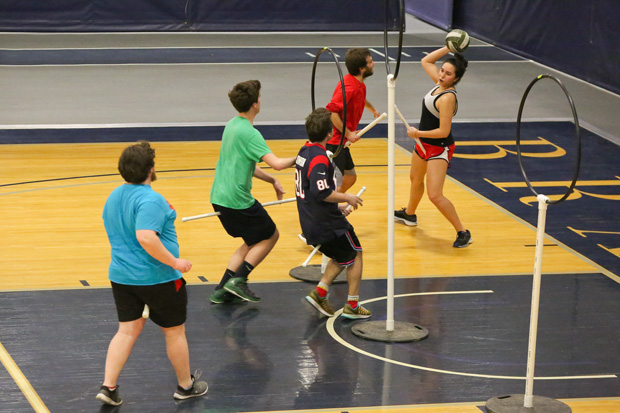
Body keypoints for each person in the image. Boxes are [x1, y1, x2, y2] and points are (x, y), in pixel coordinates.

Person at [98, 141, 207, 406]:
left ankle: (108, 387)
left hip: (122, 277)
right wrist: (175, 262)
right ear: (151, 169)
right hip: (158, 278)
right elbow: (145, 237)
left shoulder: (114, 196)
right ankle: (185, 386)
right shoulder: (151, 199)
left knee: (126, 331)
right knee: (174, 331)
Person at [209, 80, 296, 304]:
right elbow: (276, 162)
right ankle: (239, 280)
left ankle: (222, 290)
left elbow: (248, 164)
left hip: (219, 198)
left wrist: (272, 180)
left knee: (251, 241)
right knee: (270, 235)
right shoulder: (250, 133)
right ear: (256, 103)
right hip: (238, 201)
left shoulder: (231, 125)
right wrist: (302, 156)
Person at [295, 108, 372, 319]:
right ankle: (353, 306)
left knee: (342, 254)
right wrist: (347, 198)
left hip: (311, 218)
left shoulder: (303, 152)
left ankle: (320, 293)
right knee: (355, 253)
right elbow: (322, 192)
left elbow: (313, 192)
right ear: (330, 133)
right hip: (326, 222)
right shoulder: (320, 159)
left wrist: (338, 205)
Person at [394, 46, 472, 248]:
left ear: (455, 79)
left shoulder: (447, 97)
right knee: (415, 180)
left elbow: (443, 132)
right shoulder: (438, 84)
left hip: (439, 147)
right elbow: (426, 61)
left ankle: (463, 232)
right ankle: (409, 215)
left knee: (435, 195)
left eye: (447, 73)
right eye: (442, 70)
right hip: (423, 144)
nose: (441, 75)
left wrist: (417, 133)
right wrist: (448, 47)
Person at [326, 47, 381, 193]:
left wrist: (371, 108)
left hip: (342, 142)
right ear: (362, 68)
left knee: (350, 177)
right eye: (370, 62)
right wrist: (348, 133)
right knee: (336, 182)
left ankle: (333, 203)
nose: (373, 64)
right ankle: (330, 205)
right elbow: (332, 112)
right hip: (334, 143)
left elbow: (360, 97)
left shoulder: (358, 83)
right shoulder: (349, 87)